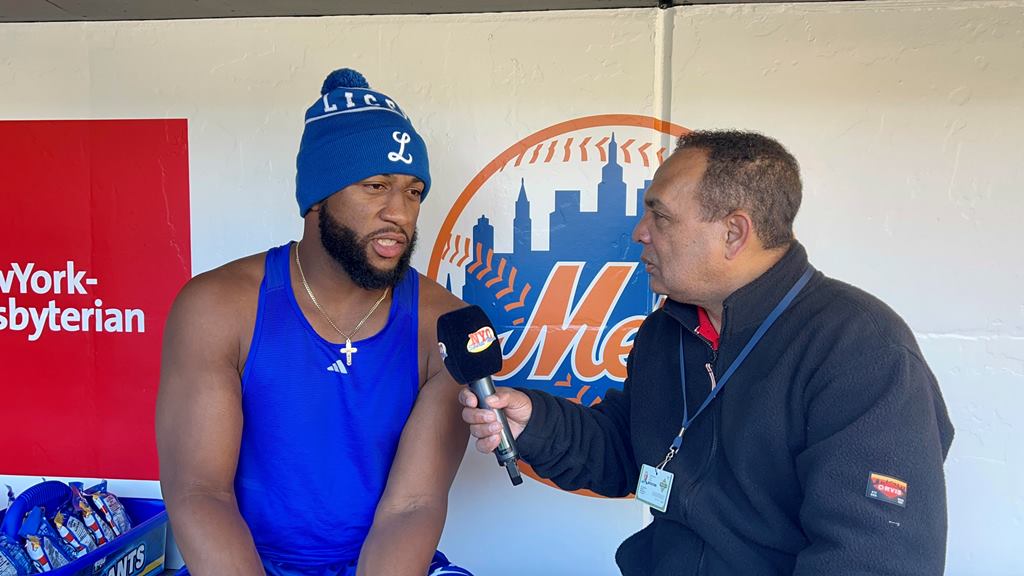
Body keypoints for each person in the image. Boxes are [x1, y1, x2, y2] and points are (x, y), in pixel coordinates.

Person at [461, 130, 955, 576]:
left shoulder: (861, 349)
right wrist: (535, 423)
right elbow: (627, 453)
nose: (640, 232)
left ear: (734, 233)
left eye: (661, 215)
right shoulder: (665, 331)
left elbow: (872, 559)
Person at [156, 68, 471, 576]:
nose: (401, 213)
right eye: (375, 186)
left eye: (414, 192)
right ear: (317, 199)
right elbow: (200, 492)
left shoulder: (448, 325)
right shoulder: (217, 306)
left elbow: (413, 506)